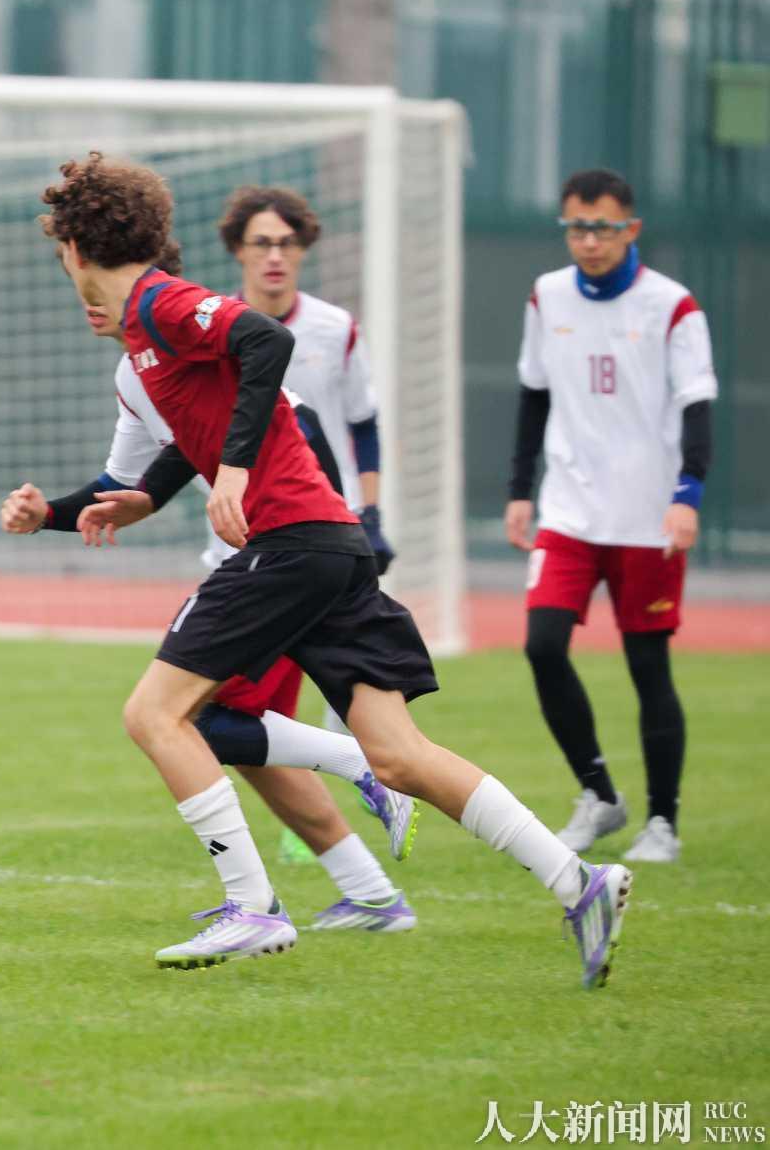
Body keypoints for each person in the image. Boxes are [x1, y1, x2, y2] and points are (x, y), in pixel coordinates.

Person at [39, 152, 629, 986]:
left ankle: (253, 906)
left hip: (288, 543)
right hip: (329, 544)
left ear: (71, 247)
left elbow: (266, 339)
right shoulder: (141, 336)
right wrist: (133, 500)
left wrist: (235, 473)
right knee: (399, 756)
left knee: (154, 715)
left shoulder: (159, 303)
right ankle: (580, 883)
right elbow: (203, 425)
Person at [0, 264, 418, 933]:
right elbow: (127, 486)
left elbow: (301, 430)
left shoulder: (202, 342)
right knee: (229, 737)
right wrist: (45, 513)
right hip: (251, 569)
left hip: (283, 568)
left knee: (190, 723)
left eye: (96, 273)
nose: (87, 295)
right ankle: (371, 893)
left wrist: (318, 543)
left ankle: (355, 783)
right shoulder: (135, 373)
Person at [507, 168, 717, 864]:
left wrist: (688, 494)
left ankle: (663, 823)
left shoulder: (673, 306)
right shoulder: (547, 295)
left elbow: (696, 405)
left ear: (631, 228)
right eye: (576, 227)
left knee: (647, 665)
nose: (589, 241)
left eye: (601, 227)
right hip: (568, 512)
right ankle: (599, 795)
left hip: (646, 519)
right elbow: (533, 393)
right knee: (542, 646)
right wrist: (519, 489)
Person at [210, 185, 393, 865]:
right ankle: (345, 832)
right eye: (261, 243)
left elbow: (364, 425)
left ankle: (345, 825)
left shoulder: (334, 328)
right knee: (240, 715)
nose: (275, 256)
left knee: (224, 714)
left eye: (287, 243)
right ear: (238, 250)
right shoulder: (213, 330)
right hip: (243, 544)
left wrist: (371, 513)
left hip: (318, 539)